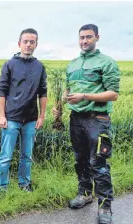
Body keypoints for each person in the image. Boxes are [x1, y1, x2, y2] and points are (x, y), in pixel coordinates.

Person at [52, 24, 120, 224]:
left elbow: (113, 94)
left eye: (89, 37)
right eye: (81, 37)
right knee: (80, 159)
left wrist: (84, 95)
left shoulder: (106, 62)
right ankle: (85, 193)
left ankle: (105, 207)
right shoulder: (72, 64)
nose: (84, 41)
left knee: (98, 163)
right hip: (76, 119)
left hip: (97, 119)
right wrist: (60, 106)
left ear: (97, 37)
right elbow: (68, 90)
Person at [0, 28, 47, 192]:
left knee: (27, 156)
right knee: (5, 156)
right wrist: (2, 116)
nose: (29, 44)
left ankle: (24, 184)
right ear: (19, 43)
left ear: (36, 44)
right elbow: (1, 91)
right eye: (26, 41)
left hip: (31, 119)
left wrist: (42, 116)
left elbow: (43, 92)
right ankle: (1, 186)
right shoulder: (10, 64)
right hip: (11, 118)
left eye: (32, 42)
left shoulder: (39, 66)